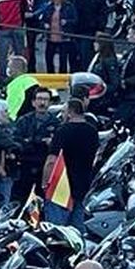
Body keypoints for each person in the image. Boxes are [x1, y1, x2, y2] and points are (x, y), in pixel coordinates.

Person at [43, 97, 101, 226]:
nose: (62, 115)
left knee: (57, 228)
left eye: (63, 112)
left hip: (61, 186)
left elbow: (51, 161)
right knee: (77, 226)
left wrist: (45, 183)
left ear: (70, 112)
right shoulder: (92, 131)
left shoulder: (63, 131)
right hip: (83, 184)